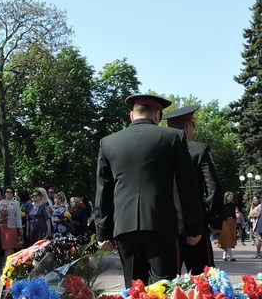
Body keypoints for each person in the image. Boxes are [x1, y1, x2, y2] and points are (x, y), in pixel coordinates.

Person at [95, 94, 202, 288]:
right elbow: (187, 186)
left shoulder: (108, 142)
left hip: (124, 226)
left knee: (134, 291)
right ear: (157, 116)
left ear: (131, 115)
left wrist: (103, 232)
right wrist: (193, 227)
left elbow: (104, 190)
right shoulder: (174, 137)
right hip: (161, 225)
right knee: (163, 289)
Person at [163, 104, 223, 273]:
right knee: (203, 279)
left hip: (165, 227)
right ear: (188, 128)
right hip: (195, 226)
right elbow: (213, 186)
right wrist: (215, 220)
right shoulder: (199, 149)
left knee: (165, 282)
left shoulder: (158, 152)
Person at [0, 187, 21, 258]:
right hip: (2, 228)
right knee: (7, 247)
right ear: (5, 193)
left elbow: (18, 216)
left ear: (13, 194)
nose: (9, 193)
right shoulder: (1, 202)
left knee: (8, 246)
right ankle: (11, 263)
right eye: (7, 192)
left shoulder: (15, 203)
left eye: (11, 192)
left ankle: (7, 263)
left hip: (11, 227)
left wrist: (20, 228)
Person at [218, 192, 238, 261]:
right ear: (226, 197)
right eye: (230, 197)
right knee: (227, 238)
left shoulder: (232, 204)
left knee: (229, 238)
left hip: (231, 221)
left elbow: (233, 214)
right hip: (224, 222)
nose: (231, 198)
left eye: (232, 197)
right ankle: (231, 257)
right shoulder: (222, 204)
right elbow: (220, 214)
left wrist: (235, 221)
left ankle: (224, 256)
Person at [249, 195, 261, 259]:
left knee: (258, 240)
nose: (253, 201)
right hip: (257, 225)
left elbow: (251, 214)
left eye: (255, 199)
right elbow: (251, 215)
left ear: (259, 199)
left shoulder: (260, 206)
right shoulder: (257, 207)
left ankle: (258, 254)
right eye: (253, 199)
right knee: (258, 239)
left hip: (259, 225)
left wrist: (251, 207)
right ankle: (258, 254)